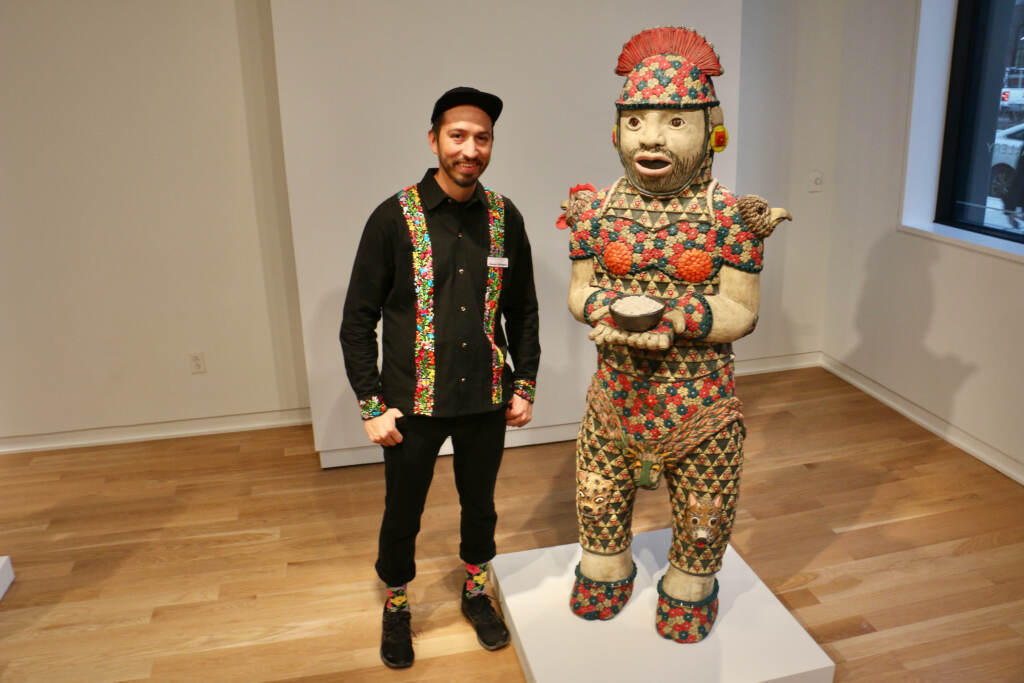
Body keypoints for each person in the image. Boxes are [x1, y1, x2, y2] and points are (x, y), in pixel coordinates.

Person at [340, 86, 540, 669]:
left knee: (480, 505)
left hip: (485, 397)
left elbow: (522, 310)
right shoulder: (393, 217)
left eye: (482, 138)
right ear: (434, 140)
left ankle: (477, 590)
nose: (470, 149)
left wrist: (523, 383)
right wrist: (371, 403)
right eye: (458, 136)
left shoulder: (505, 217)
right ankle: (398, 603)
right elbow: (358, 318)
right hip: (412, 403)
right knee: (403, 510)